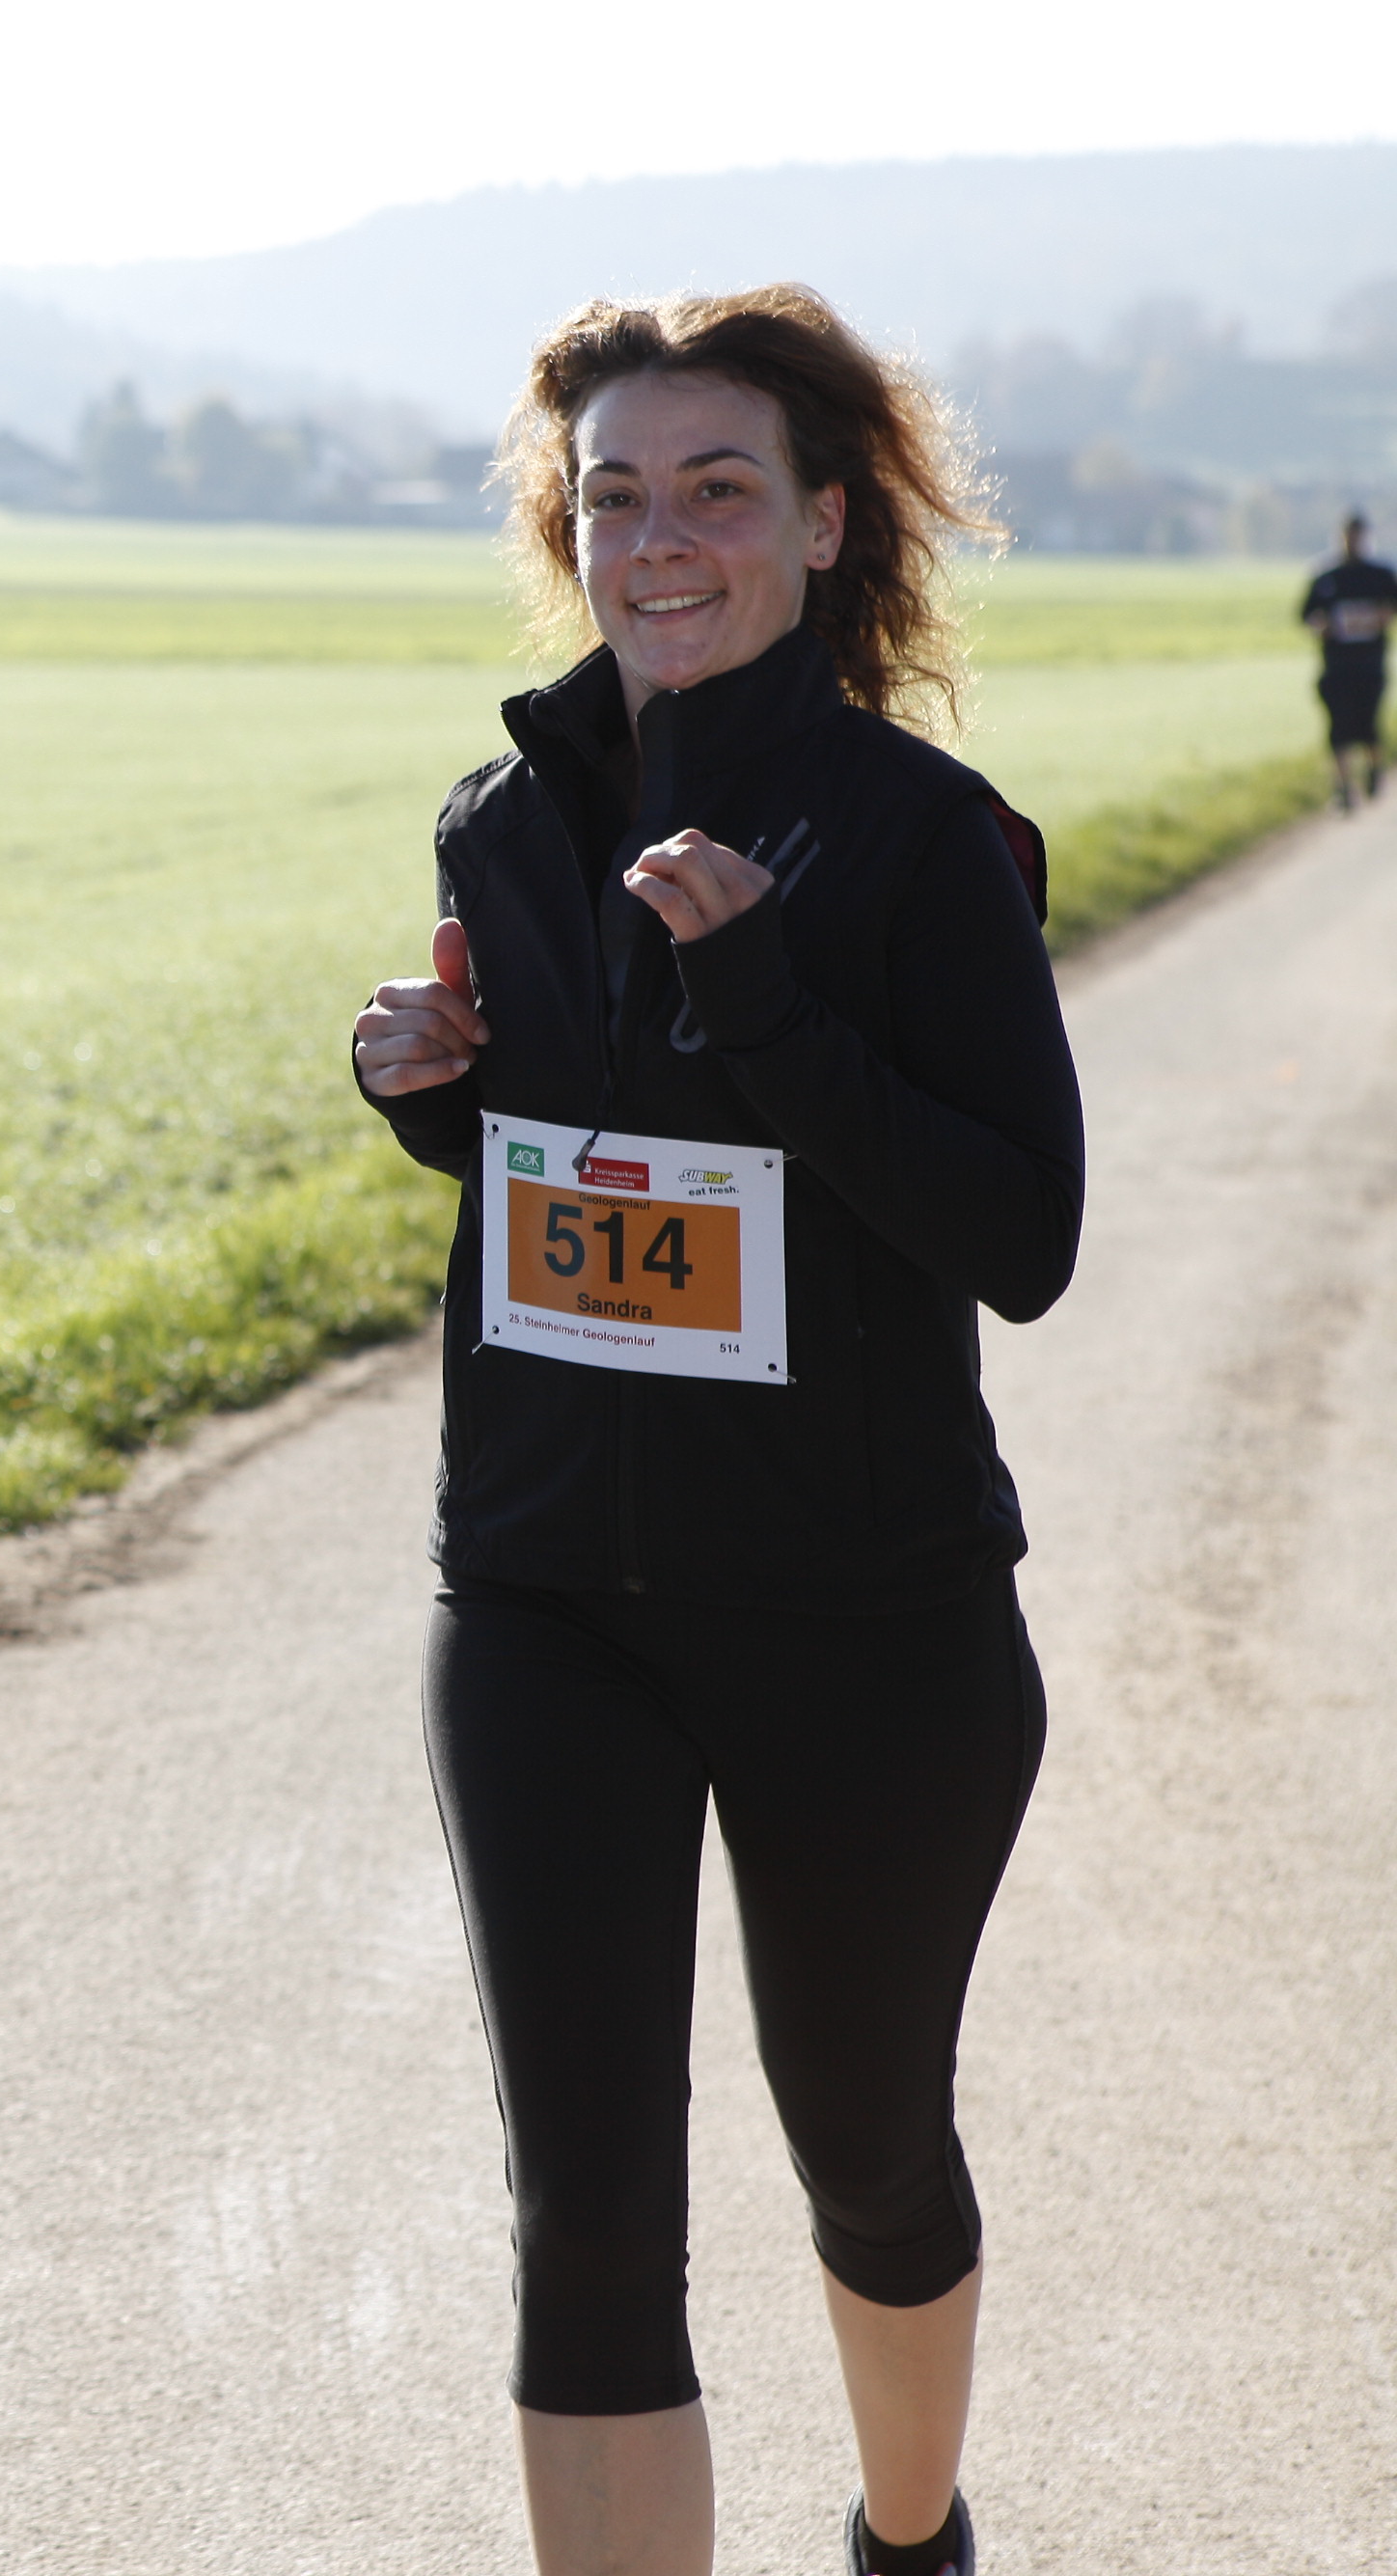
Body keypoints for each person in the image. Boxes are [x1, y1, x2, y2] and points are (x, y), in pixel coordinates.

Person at [347, 288, 1081, 2576]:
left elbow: (1019, 1234)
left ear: (824, 521)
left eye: (715, 488)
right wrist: (435, 1100)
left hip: (862, 1619)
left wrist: (762, 996)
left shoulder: (917, 835)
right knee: (582, 2208)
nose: (656, 537)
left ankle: (908, 2530)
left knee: (864, 2142)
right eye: (612, 495)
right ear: (563, 531)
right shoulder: (502, 816)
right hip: (543, 1598)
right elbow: (588, 1188)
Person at [1300, 509, 1393, 808]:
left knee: (1368, 725)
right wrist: (1321, 626)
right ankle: (1342, 788)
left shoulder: (1380, 576)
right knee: (1338, 729)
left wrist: (1383, 617)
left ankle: (1374, 768)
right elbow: (1306, 615)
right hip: (1336, 665)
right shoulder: (1325, 576)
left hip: (1370, 664)